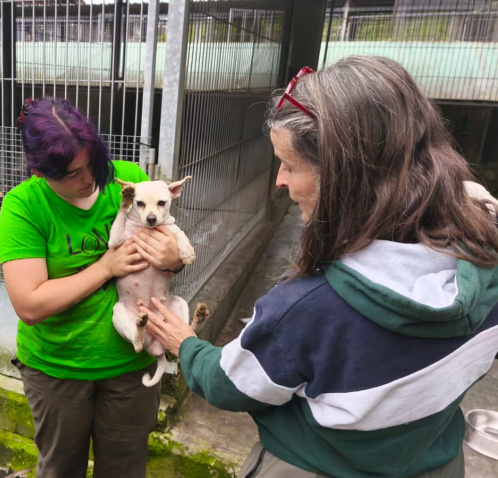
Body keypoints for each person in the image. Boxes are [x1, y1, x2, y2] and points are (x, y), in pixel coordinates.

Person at [142, 55, 498, 478]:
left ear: (346, 174)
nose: (280, 180)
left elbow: (230, 384)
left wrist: (187, 343)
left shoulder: (309, 305)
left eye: (290, 165)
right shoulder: (486, 251)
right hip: (437, 461)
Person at [0, 97, 185, 477]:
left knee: (126, 467)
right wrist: (105, 267)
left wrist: (173, 258)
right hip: (59, 368)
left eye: (92, 164)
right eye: (70, 174)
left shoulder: (128, 183)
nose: (87, 180)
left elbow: (168, 250)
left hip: (131, 364)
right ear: (38, 170)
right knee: (61, 467)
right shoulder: (25, 206)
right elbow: (30, 304)